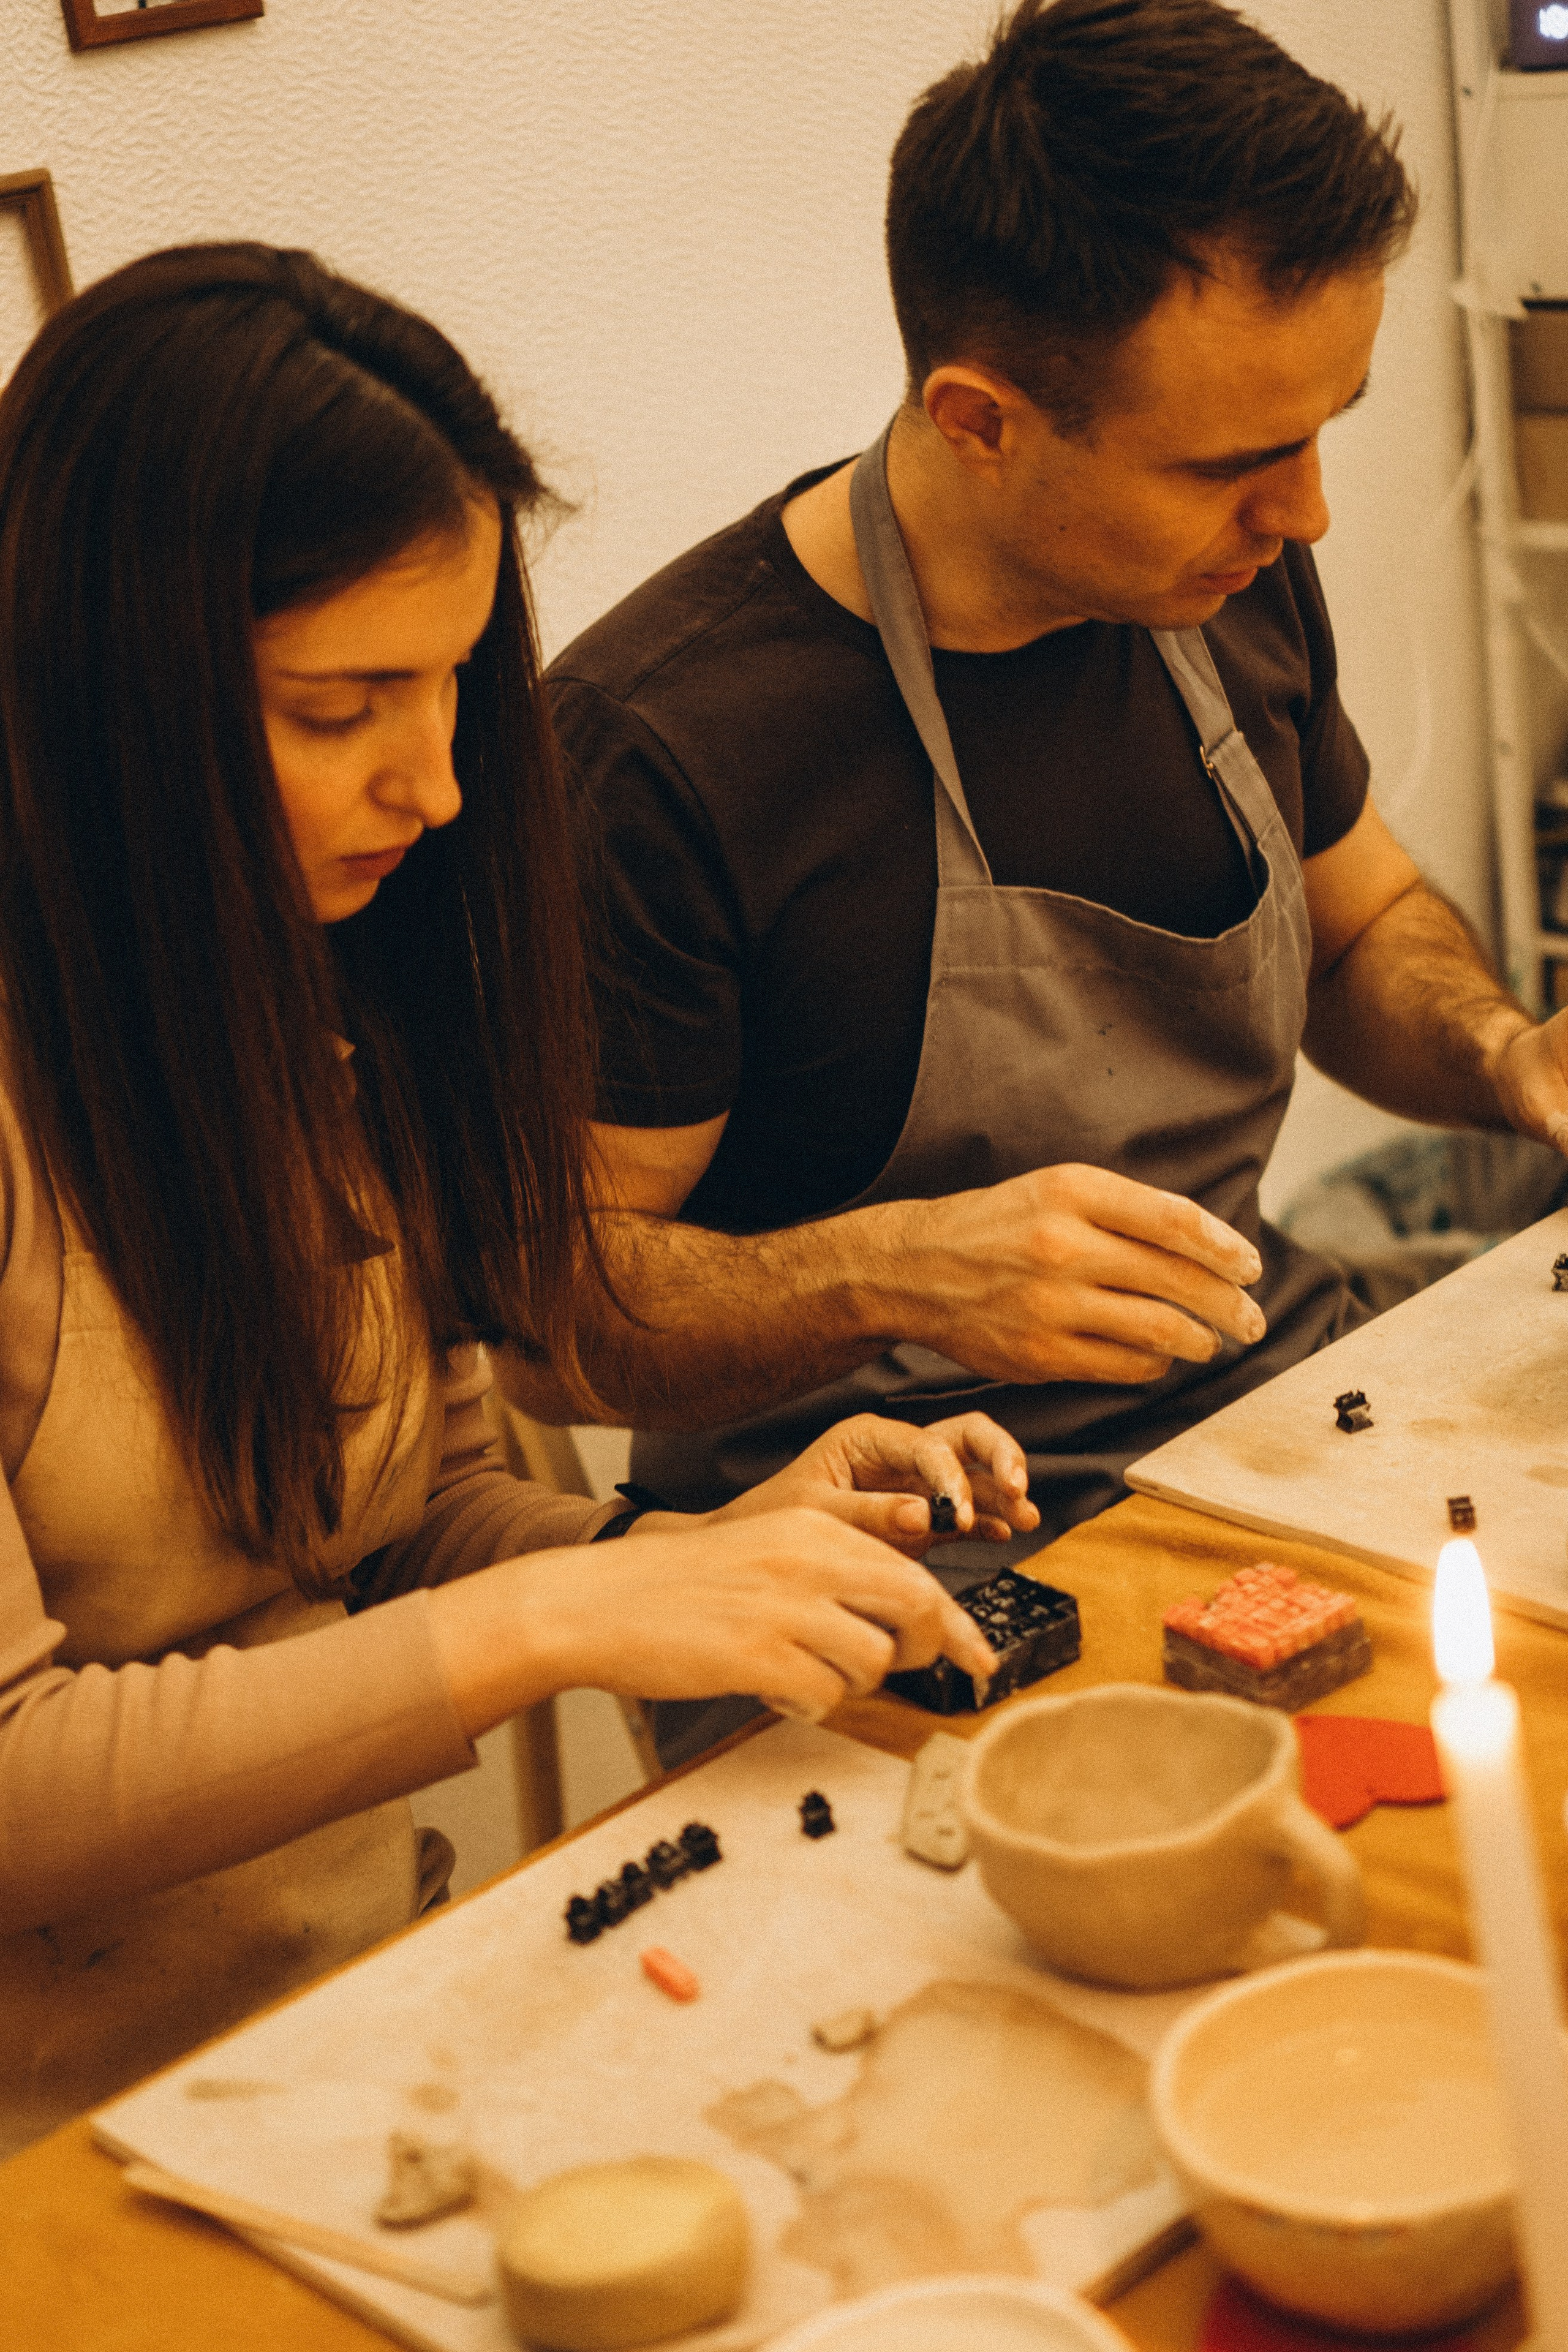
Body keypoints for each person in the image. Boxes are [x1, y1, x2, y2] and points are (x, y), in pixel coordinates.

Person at [0, 243, 1031, 2154]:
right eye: (339, 709)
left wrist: (668, 1565)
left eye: (455, 691)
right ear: (97, 699)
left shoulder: (307, 991)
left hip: (335, 2030)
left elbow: (403, 1525)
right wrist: (555, 1632)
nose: (442, 786)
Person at [514, 0, 1568, 1760]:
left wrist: (1508, 1054)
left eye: (1328, 432)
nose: (1306, 515)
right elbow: (549, 1319)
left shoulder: (1221, 579)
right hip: (887, 1555)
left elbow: (1366, 926)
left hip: (1274, 1405)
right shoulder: (656, 754)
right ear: (980, 419)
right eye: (1239, 461)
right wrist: (896, 1272)